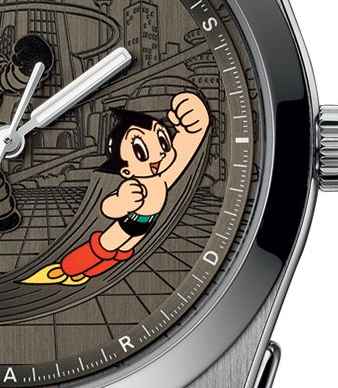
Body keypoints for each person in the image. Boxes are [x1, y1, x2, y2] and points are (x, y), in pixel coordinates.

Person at [24, 90, 210, 285]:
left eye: (163, 142)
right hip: (128, 223)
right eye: (141, 151)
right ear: (126, 171)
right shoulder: (135, 186)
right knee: (105, 246)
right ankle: (69, 268)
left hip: (145, 225)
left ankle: (91, 273)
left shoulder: (162, 178)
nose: (160, 154)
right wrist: (122, 203)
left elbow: (183, 152)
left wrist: (195, 126)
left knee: (122, 252)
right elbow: (108, 207)